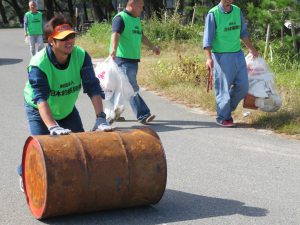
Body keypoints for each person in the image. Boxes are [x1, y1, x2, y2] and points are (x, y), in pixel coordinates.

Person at [18, 15, 112, 192]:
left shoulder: (81, 56)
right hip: (39, 110)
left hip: (66, 109)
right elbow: (41, 98)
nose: (69, 41)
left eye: (71, 36)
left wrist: (101, 118)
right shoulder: (38, 64)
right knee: (41, 150)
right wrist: (52, 126)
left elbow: (92, 87)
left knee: (79, 147)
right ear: (51, 41)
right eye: (63, 39)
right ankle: (23, 173)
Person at [203, 0, 258, 127]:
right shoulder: (213, 14)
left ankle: (226, 109)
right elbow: (207, 39)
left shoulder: (237, 11)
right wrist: (209, 58)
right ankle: (223, 117)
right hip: (221, 56)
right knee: (223, 88)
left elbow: (243, 33)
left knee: (243, 86)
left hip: (238, 54)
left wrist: (251, 49)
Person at [110, 0, 160, 125]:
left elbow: (141, 36)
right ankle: (143, 114)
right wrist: (114, 50)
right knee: (131, 86)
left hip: (132, 59)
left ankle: (111, 114)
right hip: (122, 59)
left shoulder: (136, 19)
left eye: (143, 6)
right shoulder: (120, 18)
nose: (142, 9)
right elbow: (115, 34)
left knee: (119, 87)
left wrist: (153, 47)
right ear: (131, 5)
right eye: (140, 6)